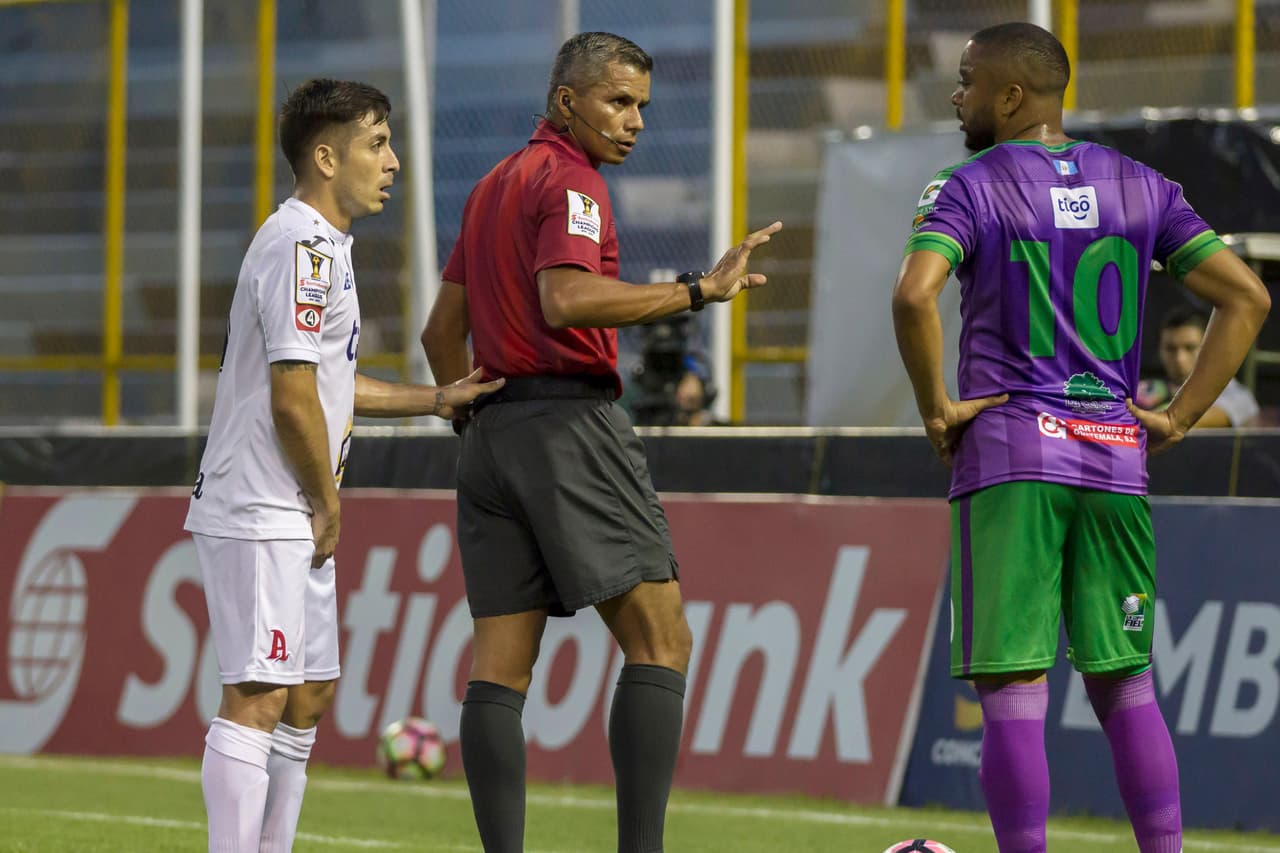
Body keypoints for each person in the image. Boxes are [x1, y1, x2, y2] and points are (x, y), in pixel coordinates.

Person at [891, 22, 1269, 853]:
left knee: (1013, 690)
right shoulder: (1142, 184)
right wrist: (1178, 416)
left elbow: (915, 296)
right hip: (1114, 458)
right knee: (1126, 683)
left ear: (1010, 96)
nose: (956, 95)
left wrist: (937, 408)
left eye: (967, 81)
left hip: (1011, 456)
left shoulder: (967, 185)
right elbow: (1247, 296)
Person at [422, 31, 780, 853]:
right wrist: (697, 289)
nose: (635, 121)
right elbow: (568, 299)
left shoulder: (491, 186)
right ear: (566, 101)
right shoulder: (571, 179)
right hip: (567, 424)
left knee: (499, 667)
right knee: (662, 638)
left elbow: (441, 331)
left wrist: (472, 416)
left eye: (642, 105)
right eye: (618, 101)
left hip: (489, 435)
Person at [183, 78, 502, 853]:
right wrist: (326, 501)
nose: (392, 162)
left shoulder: (325, 248)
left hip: (294, 502)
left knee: (310, 692)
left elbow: (330, 379)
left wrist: (435, 398)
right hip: (263, 501)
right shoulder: (299, 246)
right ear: (326, 158)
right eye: (377, 144)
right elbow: (293, 396)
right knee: (258, 693)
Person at [1136, 305, 1261, 426]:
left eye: (1190, 348)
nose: (1180, 359)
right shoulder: (1148, 391)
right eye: (1170, 349)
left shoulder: (1238, 397)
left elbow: (1179, 422)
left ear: (1210, 349)